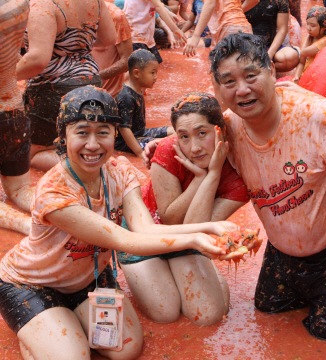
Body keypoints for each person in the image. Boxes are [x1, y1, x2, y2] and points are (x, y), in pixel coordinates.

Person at [0, 86, 235, 360]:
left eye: (103, 132)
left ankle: (61, 324)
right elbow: (124, 240)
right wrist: (197, 238)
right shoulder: (54, 191)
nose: (92, 144)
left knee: (126, 350)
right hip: (33, 284)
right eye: (82, 132)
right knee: (73, 357)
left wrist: (208, 228)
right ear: (63, 136)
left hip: (90, 280)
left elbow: (146, 229)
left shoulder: (120, 171)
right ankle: (40, 333)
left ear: (115, 134)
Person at [210, 32, 326, 341]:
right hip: (281, 252)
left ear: (272, 72)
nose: (242, 90)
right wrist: (160, 147)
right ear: (218, 89)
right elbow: (185, 137)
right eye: (229, 82)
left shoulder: (322, 120)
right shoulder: (225, 129)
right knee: (266, 311)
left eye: (251, 76)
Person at [117, 93, 250, 324]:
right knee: (165, 313)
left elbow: (191, 228)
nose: (194, 147)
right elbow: (169, 219)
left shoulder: (238, 182)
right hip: (144, 235)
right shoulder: (169, 149)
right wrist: (199, 178)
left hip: (189, 238)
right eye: (184, 137)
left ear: (221, 131)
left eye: (202, 133)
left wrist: (213, 174)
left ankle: (182, 270)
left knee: (209, 316)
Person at [16, 0, 117, 172]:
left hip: (52, 90)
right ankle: (98, 166)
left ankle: (97, 169)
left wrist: (6, 77)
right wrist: (76, 46)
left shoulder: (43, 4)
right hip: (91, 82)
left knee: (32, 155)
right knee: (83, 144)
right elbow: (109, 38)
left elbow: (38, 60)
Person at [0, 0, 33, 235]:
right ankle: (63, 211)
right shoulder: (19, 3)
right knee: (21, 190)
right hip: (13, 112)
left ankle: (29, 226)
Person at [115, 49, 174, 164]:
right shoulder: (126, 97)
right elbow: (124, 128)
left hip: (141, 133)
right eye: (152, 73)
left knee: (175, 131)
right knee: (166, 144)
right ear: (136, 73)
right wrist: (139, 152)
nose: (156, 77)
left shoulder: (137, 87)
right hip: (127, 142)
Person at [183, 0, 256, 57]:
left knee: (219, 70)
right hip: (243, 26)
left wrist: (196, 36)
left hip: (228, 29)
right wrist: (234, 12)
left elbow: (210, 4)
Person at [91, 0, 133, 98]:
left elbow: (127, 60)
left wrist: (95, 78)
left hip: (108, 96)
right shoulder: (68, 14)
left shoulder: (116, 16)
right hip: (77, 92)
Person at [244, 0, 300, 72]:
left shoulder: (280, 1)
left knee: (290, 58)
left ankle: (262, 68)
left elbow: (282, 29)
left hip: (268, 46)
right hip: (244, 44)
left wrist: (268, 56)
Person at [293, 6, 326, 82]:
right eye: (307, 24)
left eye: (312, 25)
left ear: (325, 26)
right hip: (305, 75)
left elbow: (302, 52)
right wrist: (296, 77)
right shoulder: (307, 39)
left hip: (317, 78)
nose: (308, 28)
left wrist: (308, 35)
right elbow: (302, 63)